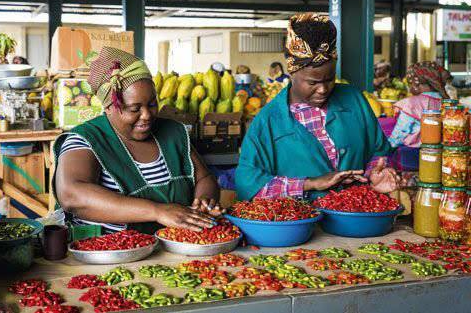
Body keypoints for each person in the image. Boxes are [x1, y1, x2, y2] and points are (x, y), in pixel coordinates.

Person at [54, 47, 222, 234]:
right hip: (109, 252)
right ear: (109, 107)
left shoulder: (174, 132)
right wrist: (157, 211)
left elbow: (205, 178)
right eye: (134, 109)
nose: (147, 115)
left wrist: (204, 202)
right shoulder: (86, 139)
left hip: (173, 248)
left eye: (152, 104)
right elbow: (71, 196)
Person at [236, 13, 400, 201]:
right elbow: (247, 186)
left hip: (356, 218)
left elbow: (378, 152)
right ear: (292, 72)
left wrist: (376, 173)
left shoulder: (354, 100)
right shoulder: (268, 121)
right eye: (312, 82)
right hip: (304, 226)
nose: (323, 89)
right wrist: (310, 183)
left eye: (329, 79)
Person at [388, 62, 451, 148]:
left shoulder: (411, 103)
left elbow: (400, 131)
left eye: (410, 84)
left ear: (416, 84)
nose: (410, 89)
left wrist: (386, 149)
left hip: (413, 154)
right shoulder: (447, 102)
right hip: (443, 153)